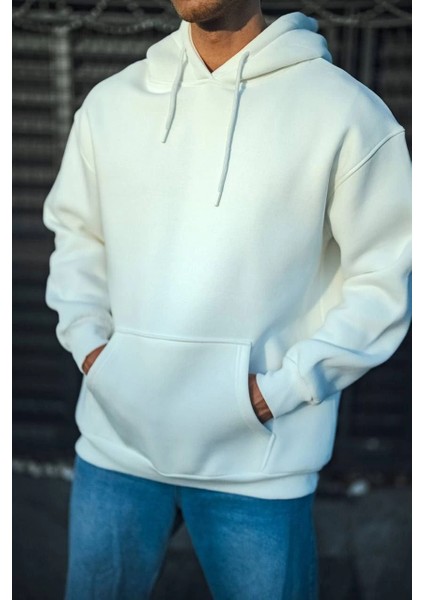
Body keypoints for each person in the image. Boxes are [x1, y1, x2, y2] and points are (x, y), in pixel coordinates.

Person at [42, 0, 411, 598]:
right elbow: (78, 235)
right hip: (116, 447)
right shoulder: (111, 104)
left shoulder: (347, 114)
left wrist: (280, 390)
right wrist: (92, 349)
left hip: (257, 466)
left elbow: (386, 277)